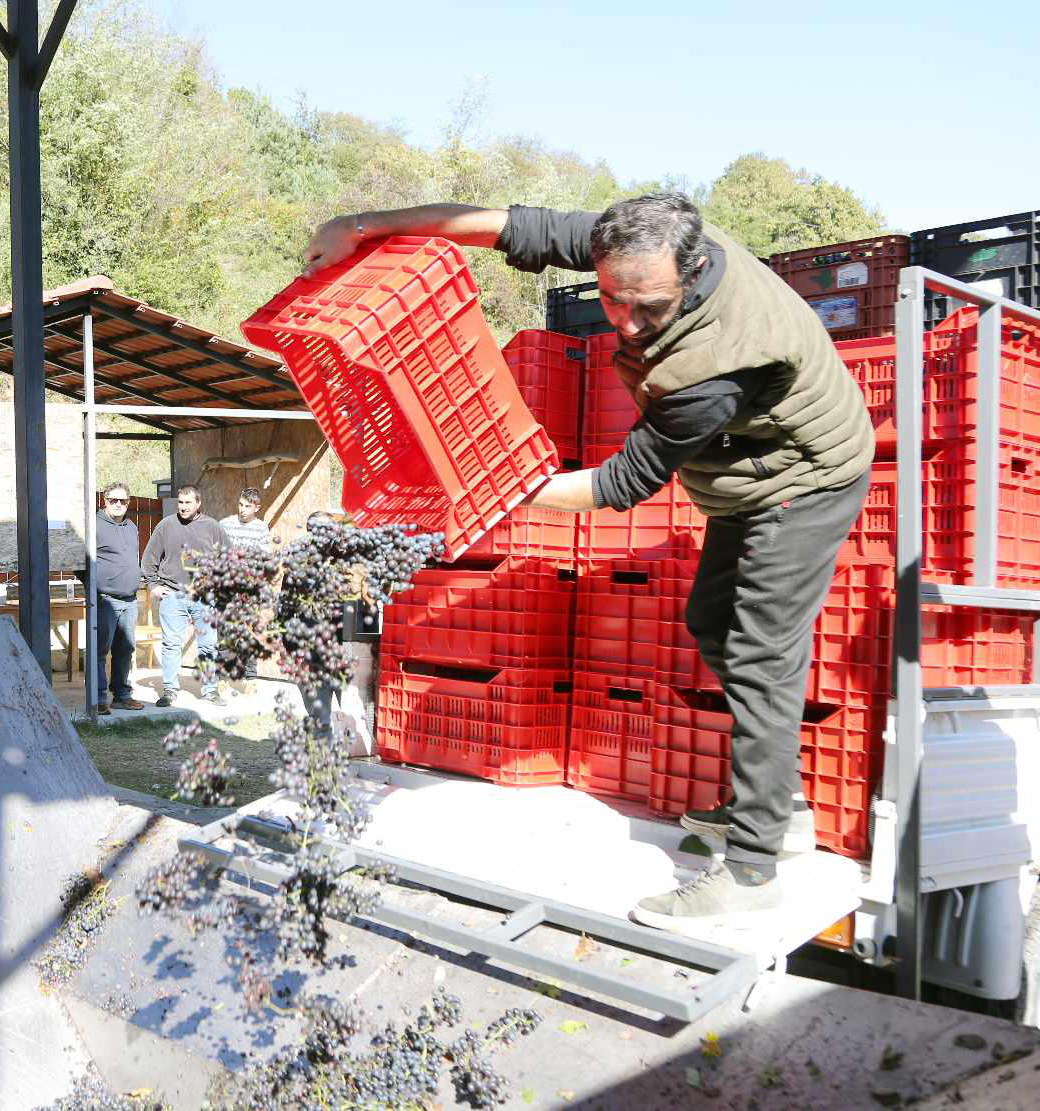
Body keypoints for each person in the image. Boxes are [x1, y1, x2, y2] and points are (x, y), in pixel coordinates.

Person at [305, 192, 874, 929]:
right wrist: (362, 225)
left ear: (693, 269)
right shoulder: (636, 243)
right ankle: (780, 808)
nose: (625, 322)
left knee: (759, 648)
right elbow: (512, 226)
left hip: (804, 481)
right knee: (711, 622)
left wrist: (496, 488)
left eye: (648, 308)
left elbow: (621, 482)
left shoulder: (712, 366)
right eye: (611, 299)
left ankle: (755, 867)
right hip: (744, 479)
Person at [140, 484, 230, 707]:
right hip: (173, 595)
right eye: (180, 502)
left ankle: (210, 689)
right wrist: (153, 585)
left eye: (188, 502)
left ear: (198, 503)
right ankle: (170, 689)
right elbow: (149, 558)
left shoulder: (212, 527)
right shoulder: (166, 525)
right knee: (171, 644)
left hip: (204, 596)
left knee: (208, 645)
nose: (183, 507)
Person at [90, 482, 145, 713]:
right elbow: (78, 559)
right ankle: (99, 699)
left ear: (129, 502)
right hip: (105, 599)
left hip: (130, 599)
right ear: (105, 501)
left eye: (123, 500)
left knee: (126, 648)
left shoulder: (131, 526)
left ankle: (122, 695)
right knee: (100, 650)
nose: (118, 504)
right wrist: (93, 585)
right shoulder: (93, 524)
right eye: (113, 500)